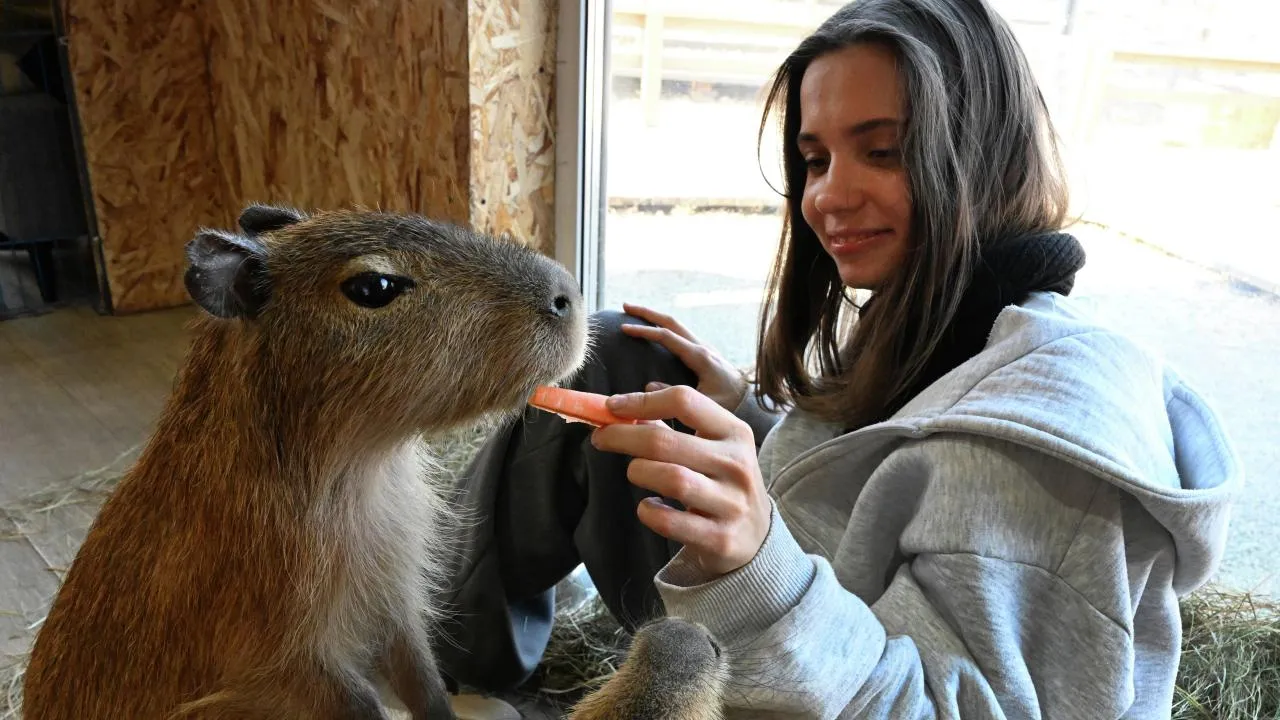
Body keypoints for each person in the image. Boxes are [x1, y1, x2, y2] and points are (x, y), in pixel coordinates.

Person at [433, 0, 1241, 716]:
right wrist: (749, 417)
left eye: (883, 152)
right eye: (815, 160)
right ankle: (446, 676)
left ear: (982, 157)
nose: (827, 196)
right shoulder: (947, 316)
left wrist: (755, 570)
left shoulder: (1034, 463)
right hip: (801, 628)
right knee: (618, 357)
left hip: (804, 666)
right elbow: (884, 492)